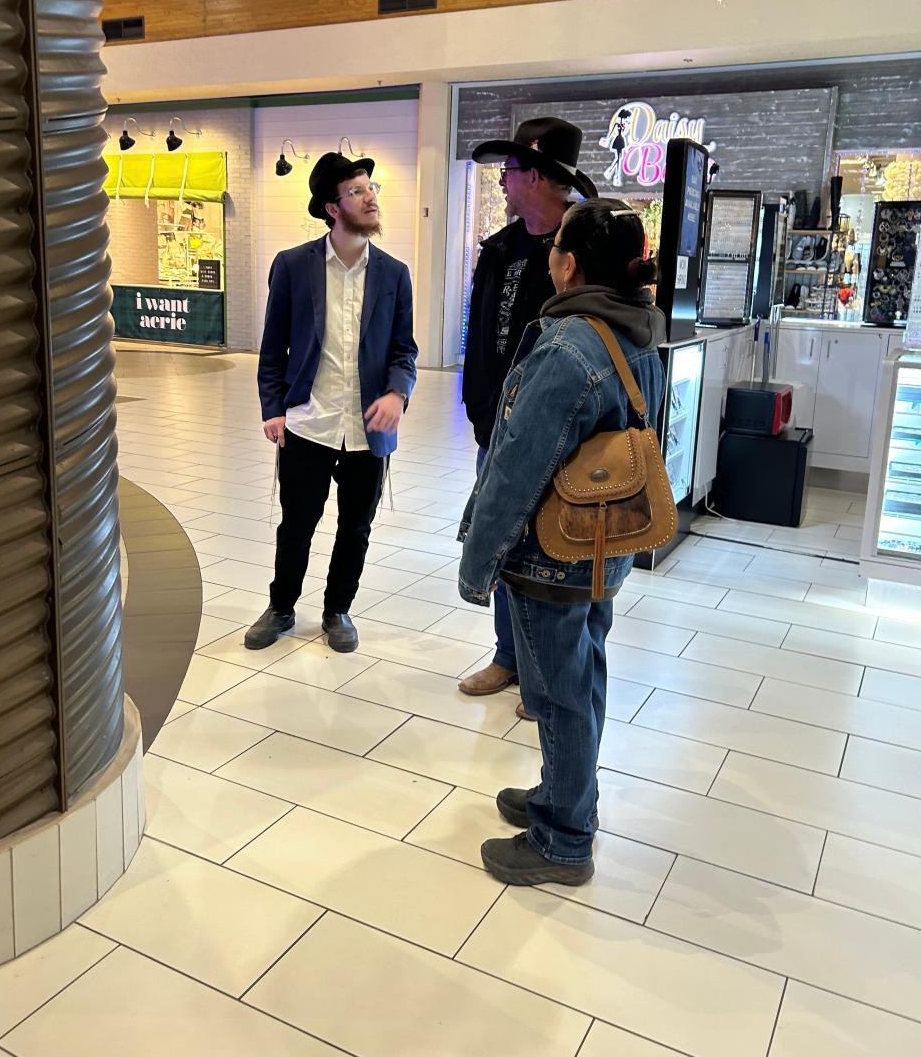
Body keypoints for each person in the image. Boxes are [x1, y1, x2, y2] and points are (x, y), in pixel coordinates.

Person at [458, 199, 665, 886]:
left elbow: (517, 464)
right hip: (605, 541)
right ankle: (565, 798)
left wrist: (478, 560)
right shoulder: (637, 329)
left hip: (553, 550)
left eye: (553, 247)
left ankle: (563, 840)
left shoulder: (569, 344)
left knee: (556, 693)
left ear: (568, 264)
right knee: (586, 669)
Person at [245, 151, 417, 655]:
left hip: (368, 429)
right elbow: (273, 343)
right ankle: (281, 607)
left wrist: (396, 392)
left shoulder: (394, 273)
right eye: (358, 191)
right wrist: (272, 406)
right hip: (308, 421)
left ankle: (337, 609)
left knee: (355, 527)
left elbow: (405, 349)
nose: (371, 198)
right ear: (331, 208)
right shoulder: (294, 265)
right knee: (297, 522)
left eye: (371, 188)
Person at [459, 117, 597, 717]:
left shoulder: (583, 250)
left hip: (564, 434)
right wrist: (476, 405)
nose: (503, 181)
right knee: (504, 537)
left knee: (555, 549)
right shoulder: (500, 249)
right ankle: (508, 656)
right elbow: (482, 335)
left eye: (510, 171)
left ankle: (550, 673)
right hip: (498, 424)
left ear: (536, 175)